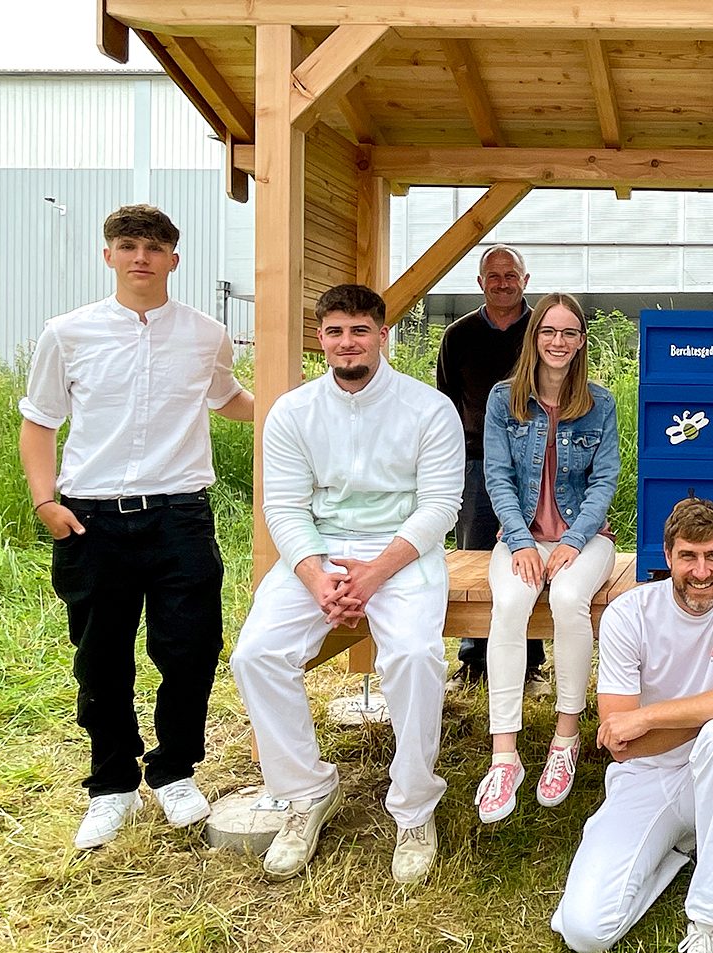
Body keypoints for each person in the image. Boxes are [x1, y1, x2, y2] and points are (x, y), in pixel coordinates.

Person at [18, 204, 254, 851]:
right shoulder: (68, 334)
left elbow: (226, 397)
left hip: (180, 516)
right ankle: (111, 785)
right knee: (101, 660)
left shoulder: (206, 334)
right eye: (128, 246)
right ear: (109, 256)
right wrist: (46, 503)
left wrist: (291, 412)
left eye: (154, 247)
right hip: (92, 520)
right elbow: (40, 422)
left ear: (174, 259)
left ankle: (175, 770)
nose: (141, 257)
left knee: (191, 650)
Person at [228, 284, 464, 884]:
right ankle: (306, 793)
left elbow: (441, 506)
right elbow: (283, 507)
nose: (347, 343)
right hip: (319, 553)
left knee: (414, 655)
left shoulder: (428, 409)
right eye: (334, 331)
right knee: (256, 655)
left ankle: (413, 808)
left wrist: (375, 572)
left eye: (359, 330)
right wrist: (314, 575)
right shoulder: (292, 411)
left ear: (382, 335)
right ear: (321, 339)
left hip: (403, 552)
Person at [551, 498, 713, 953]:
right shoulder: (630, 613)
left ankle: (711, 924)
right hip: (645, 777)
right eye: (688, 557)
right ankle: (678, 848)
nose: (701, 573)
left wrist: (652, 717)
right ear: (667, 557)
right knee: (586, 931)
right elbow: (620, 741)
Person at [473, 293, 622, 822]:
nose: (558, 342)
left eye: (569, 333)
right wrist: (519, 541)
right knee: (510, 606)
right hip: (519, 538)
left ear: (581, 341)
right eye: (548, 332)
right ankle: (505, 754)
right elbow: (498, 476)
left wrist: (572, 542)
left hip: (585, 539)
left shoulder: (599, 404)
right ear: (534, 337)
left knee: (568, 598)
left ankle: (565, 740)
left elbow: (605, 480)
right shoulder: (503, 399)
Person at [436, 245, 546, 693]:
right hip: (476, 459)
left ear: (525, 278)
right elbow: (444, 402)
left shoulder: (544, 329)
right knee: (476, 556)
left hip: (538, 460)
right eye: (493, 276)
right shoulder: (458, 335)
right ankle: (473, 658)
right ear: (480, 283)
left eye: (511, 274)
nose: (503, 282)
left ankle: (532, 661)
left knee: (532, 555)